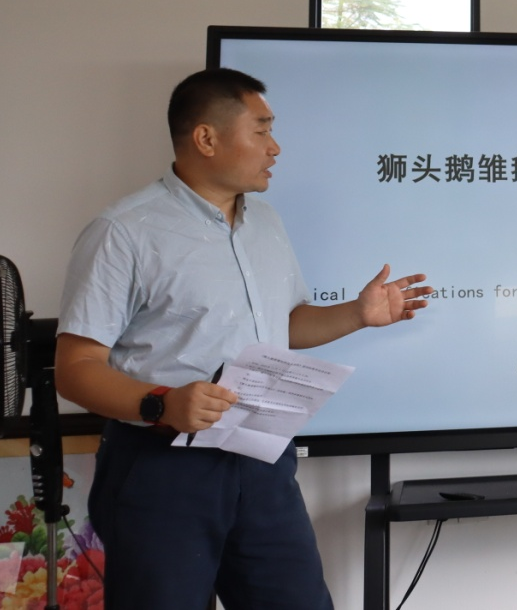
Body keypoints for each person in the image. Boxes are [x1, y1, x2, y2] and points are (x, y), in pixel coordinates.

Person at [56, 67, 431, 610]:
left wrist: (358, 314)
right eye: (261, 130)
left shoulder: (266, 223)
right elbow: (75, 368)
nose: (274, 147)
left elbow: (285, 325)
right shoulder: (124, 231)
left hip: (262, 460)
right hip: (162, 469)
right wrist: (162, 403)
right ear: (206, 138)